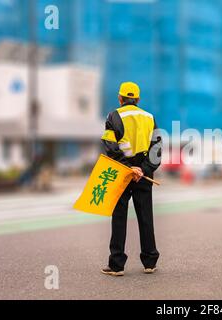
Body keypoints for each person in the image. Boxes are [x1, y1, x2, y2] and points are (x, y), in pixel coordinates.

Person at [100, 82, 162, 277]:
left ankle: (117, 265)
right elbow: (156, 150)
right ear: (137, 99)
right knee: (146, 216)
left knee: (119, 216)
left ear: (120, 98)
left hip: (123, 171)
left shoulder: (113, 116)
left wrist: (129, 167)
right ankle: (150, 261)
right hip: (144, 175)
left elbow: (110, 145)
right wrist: (143, 169)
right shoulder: (150, 118)